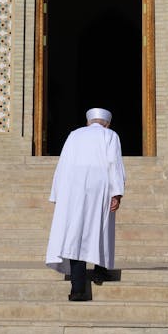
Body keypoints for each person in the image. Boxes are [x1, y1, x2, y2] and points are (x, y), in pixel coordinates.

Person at [45, 106, 126, 301]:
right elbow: (114, 163)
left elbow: (62, 164)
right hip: (101, 187)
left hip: (73, 188)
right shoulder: (110, 135)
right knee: (101, 227)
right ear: (106, 123)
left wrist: (57, 194)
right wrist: (117, 193)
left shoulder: (74, 135)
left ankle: (78, 289)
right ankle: (100, 270)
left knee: (75, 233)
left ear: (88, 122)